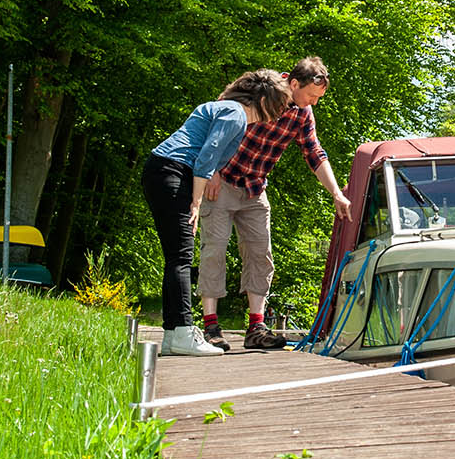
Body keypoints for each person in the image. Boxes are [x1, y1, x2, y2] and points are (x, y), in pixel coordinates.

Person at [197, 56, 351, 352]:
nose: (314, 103)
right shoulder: (263, 89)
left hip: (255, 188)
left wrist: (336, 193)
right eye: (311, 96)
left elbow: (315, 153)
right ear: (294, 84)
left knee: (261, 253)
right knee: (214, 249)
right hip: (223, 181)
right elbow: (219, 118)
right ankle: (210, 326)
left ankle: (256, 326)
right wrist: (211, 170)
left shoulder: (303, 114)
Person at [144, 69, 292, 357]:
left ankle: (174, 335)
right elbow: (206, 158)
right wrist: (196, 203)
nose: (280, 113)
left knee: (176, 257)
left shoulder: (228, 110)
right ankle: (185, 331)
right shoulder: (235, 113)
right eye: (280, 105)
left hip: (162, 170)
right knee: (182, 258)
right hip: (173, 171)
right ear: (265, 100)